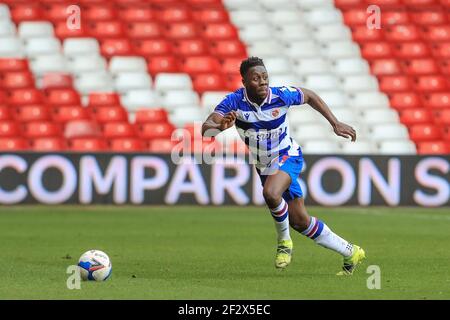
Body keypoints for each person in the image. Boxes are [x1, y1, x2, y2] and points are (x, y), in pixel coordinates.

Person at [201, 57, 365, 275]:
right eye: (256, 78)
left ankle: (284, 243)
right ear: (244, 82)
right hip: (265, 165)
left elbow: (310, 95)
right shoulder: (234, 102)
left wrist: (334, 123)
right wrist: (220, 126)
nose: (262, 82)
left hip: (288, 155)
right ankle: (350, 251)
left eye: (265, 77)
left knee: (270, 193)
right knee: (300, 221)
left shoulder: (281, 95)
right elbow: (206, 129)